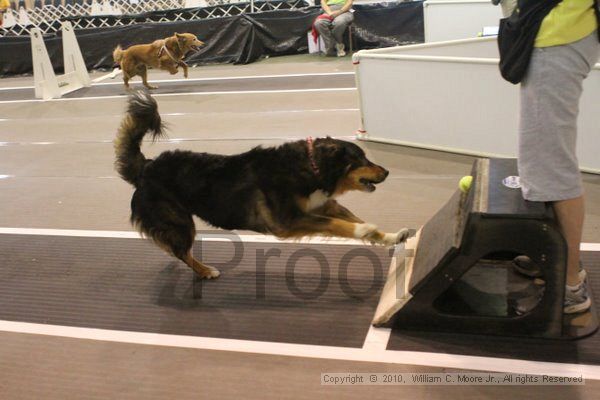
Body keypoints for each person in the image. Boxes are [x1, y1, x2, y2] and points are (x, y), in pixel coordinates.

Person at [513, 0, 599, 314]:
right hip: (557, 34)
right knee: (542, 159)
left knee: (551, 164)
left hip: (562, 34)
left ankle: (571, 285)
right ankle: (557, 258)